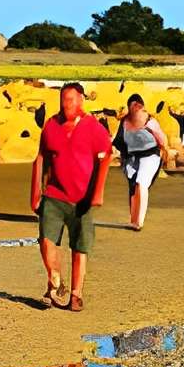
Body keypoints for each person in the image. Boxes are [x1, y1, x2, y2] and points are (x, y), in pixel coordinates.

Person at [30, 82, 113, 312]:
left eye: (71, 99)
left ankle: (76, 293)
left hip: (82, 198)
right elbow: (41, 158)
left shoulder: (93, 127)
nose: (66, 104)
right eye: (63, 99)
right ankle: (55, 281)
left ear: (81, 100)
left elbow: (105, 156)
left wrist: (97, 192)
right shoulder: (51, 125)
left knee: (80, 245)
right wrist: (35, 193)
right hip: (54, 194)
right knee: (46, 240)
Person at [116, 95, 167, 230]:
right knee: (133, 186)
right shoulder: (124, 122)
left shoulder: (150, 122)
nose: (136, 108)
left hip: (150, 155)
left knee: (141, 183)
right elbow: (119, 141)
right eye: (133, 106)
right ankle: (133, 219)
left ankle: (139, 221)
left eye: (138, 106)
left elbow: (162, 140)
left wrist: (165, 154)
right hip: (131, 157)